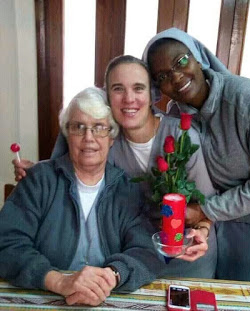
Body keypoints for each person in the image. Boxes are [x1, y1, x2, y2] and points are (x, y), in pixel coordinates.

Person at [13, 56, 218, 278]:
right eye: (118, 89)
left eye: (138, 88)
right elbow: (66, 166)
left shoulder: (182, 136)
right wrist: (35, 172)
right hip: (135, 262)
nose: (129, 99)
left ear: (151, 95)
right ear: (108, 96)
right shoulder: (106, 137)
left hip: (187, 255)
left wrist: (202, 231)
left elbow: (208, 203)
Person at [142, 27, 250, 285]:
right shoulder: (177, 116)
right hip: (224, 219)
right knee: (227, 291)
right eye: (163, 75)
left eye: (181, 61)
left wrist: (205, 210)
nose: (176, 77)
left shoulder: (248, 100)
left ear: (198, 57)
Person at [0, 87, 166, 306]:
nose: (89, 138)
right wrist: (59, 281)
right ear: (68, 135)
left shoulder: (127, 188)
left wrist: (111, 276)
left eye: (99, 128)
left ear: (112, 137)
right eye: (79, 127)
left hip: (107, 296)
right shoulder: (39, 180)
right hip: (47, 294)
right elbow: (7, 242)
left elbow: (147, 251)